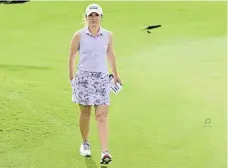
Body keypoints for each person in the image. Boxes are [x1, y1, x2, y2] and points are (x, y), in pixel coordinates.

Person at [68, 3, 122, 165]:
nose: (93, 18)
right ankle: (85, 143)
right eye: (90, 15)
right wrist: (72, 78)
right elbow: (71, 56)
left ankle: (105, 152)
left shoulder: (108, 35)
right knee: (85, 113)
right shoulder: (79, 35)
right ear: (86, 18)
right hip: (83, 78)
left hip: (102, 78)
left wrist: (116, 75)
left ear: (101, 17)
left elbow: (111, 55)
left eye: (96, 15)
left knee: (102, 115)